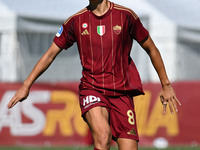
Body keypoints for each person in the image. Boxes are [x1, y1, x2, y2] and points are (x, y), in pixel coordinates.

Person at [7, 0, 181, 149]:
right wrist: (26, 85)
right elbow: (50, 54)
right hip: (92, 89)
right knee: (103, 136)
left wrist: (166, 85)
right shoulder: (75, 21)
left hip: (122, 93)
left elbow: (151, 49)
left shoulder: (126, 16)